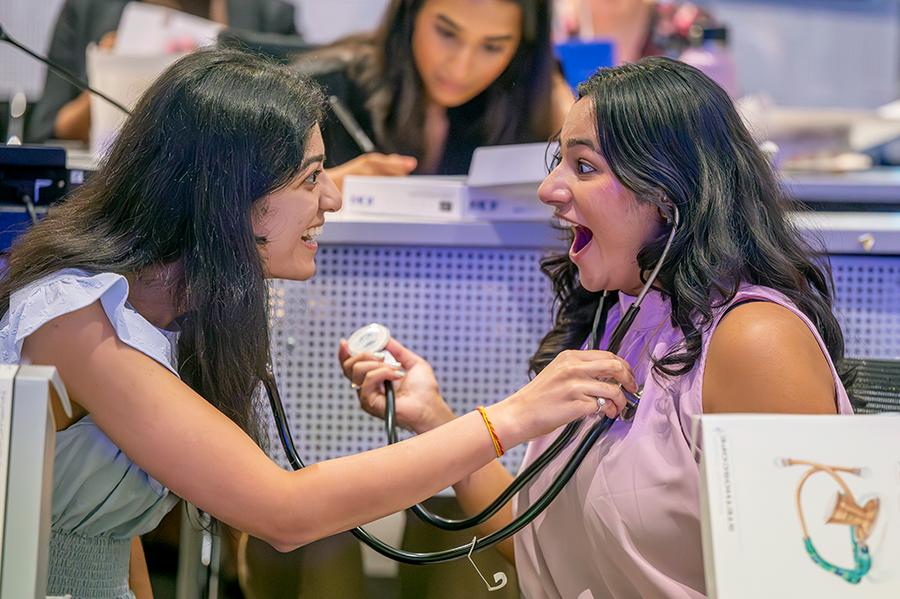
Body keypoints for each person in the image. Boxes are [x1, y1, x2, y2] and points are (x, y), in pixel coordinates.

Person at [0, 47, 612, 599]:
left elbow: (112, 536)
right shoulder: (77, 321)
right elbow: (284, 513)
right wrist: (512, 416)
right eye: (311, 176)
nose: (334, 198)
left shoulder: (165, 318)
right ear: (229, 196)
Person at [341, 56, 855, 599]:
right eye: (558, 162)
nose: (549, 189)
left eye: (583, 168)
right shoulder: (619, 316)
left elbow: (815, 581)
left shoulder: (754, 340)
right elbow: (538, 541)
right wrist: (436, 419)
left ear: (668, 194)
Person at [293, 0, 575, 190]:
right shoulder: (316, 91)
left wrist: (569, 120)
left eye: (493, 47)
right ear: (411, 13)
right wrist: (317, 188)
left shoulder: (531, 106)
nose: (461, 67)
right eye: (446, 33)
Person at [25, 0, 299, 144]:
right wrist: (110, 71)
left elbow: (296, 125)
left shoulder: (270, 16)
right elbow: (48, 130)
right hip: (117, 195)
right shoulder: (88, 10)